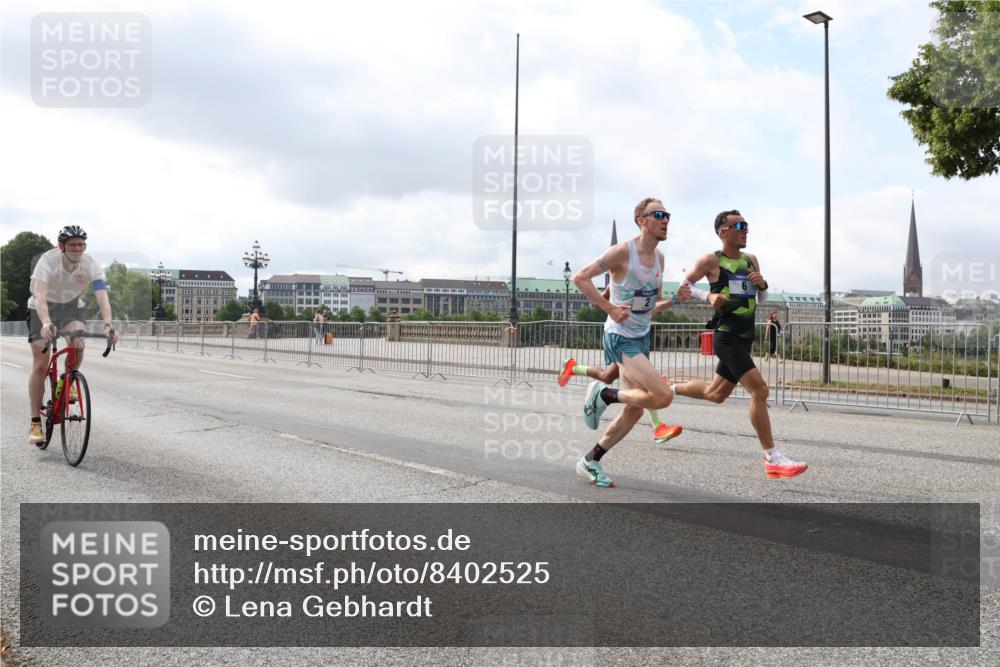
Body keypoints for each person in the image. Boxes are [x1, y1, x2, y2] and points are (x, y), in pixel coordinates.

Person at [674, 210, 807, 479]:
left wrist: (763, 286)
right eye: (740, 225)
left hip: (746, 336)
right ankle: (773, 458)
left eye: (747, 225)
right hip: (726, 336)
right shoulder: (711, 260)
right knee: (760, 390)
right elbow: (683, 287)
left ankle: (669, 387)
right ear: (724, 231)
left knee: (716, 394)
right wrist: (708, 297)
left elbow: (759, 300)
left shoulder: (751, 260)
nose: (746, 230)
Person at [570, 196, 678, 488]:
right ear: (641, 221)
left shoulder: (660, 259)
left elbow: (651, 306)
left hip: (641, 336)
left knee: (636, 409)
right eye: (658, 214)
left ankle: (590, 460)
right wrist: (610, 309)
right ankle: (604, 396)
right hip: (619, 336)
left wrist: (676, 300)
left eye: (667, 215)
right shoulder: (622, 252)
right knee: (663, 396)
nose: (665, 220)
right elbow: (580, 278)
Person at [26, 225, 119, 445]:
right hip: (41, 307)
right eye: (73, 245)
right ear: (62, 247)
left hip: (70, 306)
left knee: (78, 342)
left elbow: (102, 295)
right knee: (41, 364)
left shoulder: (90, 264)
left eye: (81, 245)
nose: (78, 249)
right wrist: (46, 322)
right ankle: (35, 422)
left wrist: (108, 324)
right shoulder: (48, 261)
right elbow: (39, 296)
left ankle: (67, 379)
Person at [558, 359, 682, 444]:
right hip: (626, 343)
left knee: (607, 377)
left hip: (629, 342)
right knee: (643, 387)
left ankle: (573, 367)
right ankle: (657, 426)